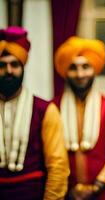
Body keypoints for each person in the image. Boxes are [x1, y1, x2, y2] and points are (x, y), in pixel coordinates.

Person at [0, 26, 69, 199]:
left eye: (15, 64)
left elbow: (58, 165)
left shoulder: (45, 110)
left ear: (23, 67)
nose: (9, 71)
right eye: (2, 65)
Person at [53, 36, 105, 200]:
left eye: (85, 67)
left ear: (94, 69)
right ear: (65, 71)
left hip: (102, 193)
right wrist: (69, 190)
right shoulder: (53, 108)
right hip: (64, 194)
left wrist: (97, 186)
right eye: (73, 68)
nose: (80, 74)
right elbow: (50, 156)